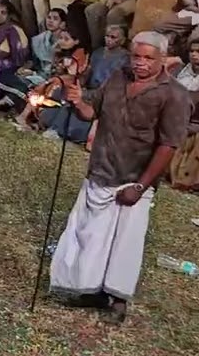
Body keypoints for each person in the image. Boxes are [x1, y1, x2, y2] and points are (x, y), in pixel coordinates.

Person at [49, 31, 191, 324]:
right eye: (136, 56)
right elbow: (92, 111)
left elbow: (169, 145)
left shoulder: (174, 94)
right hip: (101, 169)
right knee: (89, 233)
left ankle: (117, 300)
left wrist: (141, 185)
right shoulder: (118, 77)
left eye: (148, 58)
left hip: (134, 178)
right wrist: (77, 99)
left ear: (162, 60)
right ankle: (89, 289)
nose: (140, 63)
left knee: (124, 242)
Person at [168, 40, 199, 190]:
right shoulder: (179, 71)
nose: (194, 55)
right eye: (192, 51)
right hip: (174, 119)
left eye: (198, 52)